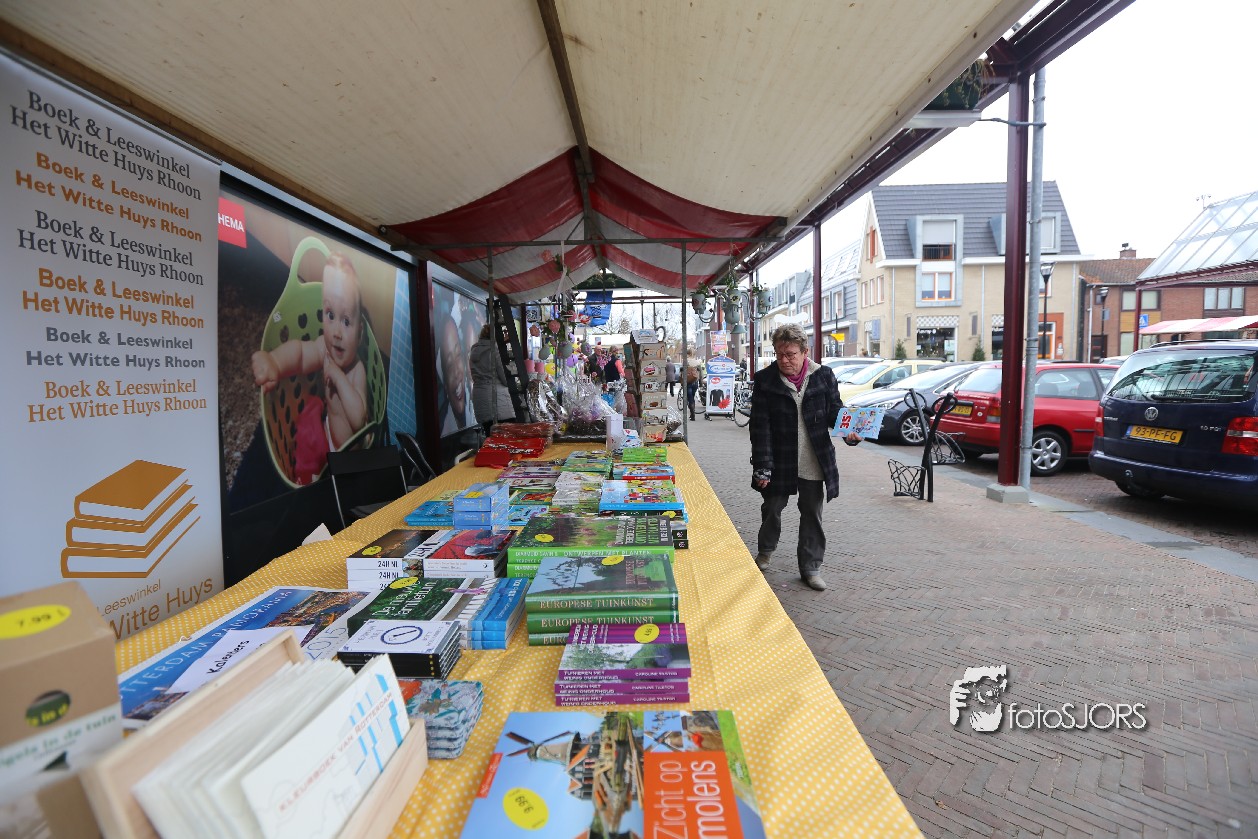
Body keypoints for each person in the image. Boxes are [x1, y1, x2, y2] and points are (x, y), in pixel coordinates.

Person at [748, 323, 858, 591]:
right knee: (772, 508)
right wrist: (763, 465)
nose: (784, 360)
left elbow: (835, 411)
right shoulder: (765, 380)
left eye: (791, 354)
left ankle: (811, 567)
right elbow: (760, 427)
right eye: (779, 354)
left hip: (813, 458)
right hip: (779, 459)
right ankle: (765, 551)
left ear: (805, 352)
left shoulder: (824, 376)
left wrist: (850, 432)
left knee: (812, 513)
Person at [252, 252, 369, 455]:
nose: (337, 333)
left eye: (346, 321)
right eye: (330, 315)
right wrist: (275, 362)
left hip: (351, 455)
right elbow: (300, 355)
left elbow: (359, 419)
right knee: (308, 435)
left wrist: (339, 378)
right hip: (329, 433)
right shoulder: (324, 349)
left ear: (359, 334)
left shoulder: (357, 371)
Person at [469, 323, 515, 435]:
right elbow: (505, 379)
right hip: (498, 403)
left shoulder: (474, 350)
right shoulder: (495, 350)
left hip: (480, 398)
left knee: (490, 436)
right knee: (506, 438)